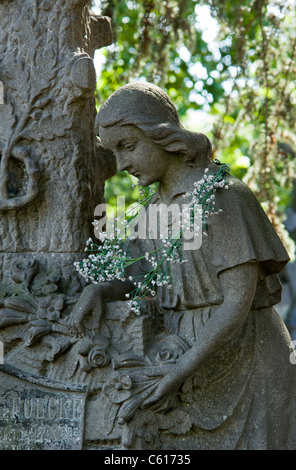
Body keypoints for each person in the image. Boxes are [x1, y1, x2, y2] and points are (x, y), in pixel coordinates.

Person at [70, 82, 296, 449]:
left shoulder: (223, 197)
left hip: (246, 358)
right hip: (180, 356)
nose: (122, 164)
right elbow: (143, 277)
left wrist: (181, 369)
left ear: (162, 136)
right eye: (114, 152)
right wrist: (102, 289)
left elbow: (237, 301)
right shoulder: (150, 210)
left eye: (128, 146)